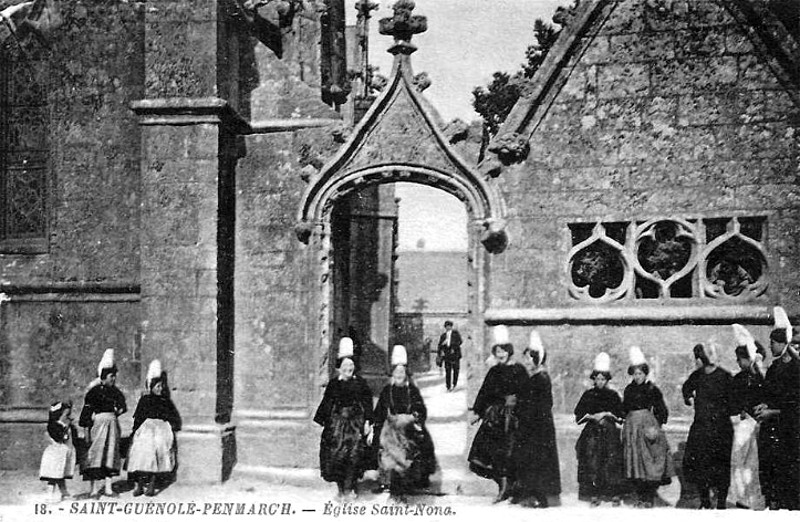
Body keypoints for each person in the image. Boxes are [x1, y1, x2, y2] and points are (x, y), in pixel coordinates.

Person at [468, 325, 528, 503]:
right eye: (497, 351)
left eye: (503, 351)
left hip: (513, 418)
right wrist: (478, 412)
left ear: (509, 351)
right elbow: (484, 391)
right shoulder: (494, 371)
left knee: (511, 454)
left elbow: (526, 393)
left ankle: (512, 488)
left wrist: (518, 404)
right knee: (487, 456)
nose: (500, 354)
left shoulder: (519, 370)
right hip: (494, 418)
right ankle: (502, 486)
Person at [372, 345, 437, 501]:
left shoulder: (412, 390)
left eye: (402, 372)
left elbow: (420, 408)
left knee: (417, 450)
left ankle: (406, 486)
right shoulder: (387, 390)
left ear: (406, 373)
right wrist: (375, 426)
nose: (399, 375)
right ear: (393, 373)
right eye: (396, 372)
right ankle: (394, 490)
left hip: (408, 428)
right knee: (388, 454)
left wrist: (415, 417)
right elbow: (380, 410)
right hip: (391, 429)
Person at [313, 337, 374, 500]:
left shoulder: (360, 383)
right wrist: (323, 421)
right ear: (340, 367)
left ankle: (350, 487)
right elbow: (327, 402)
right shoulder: (334, 384)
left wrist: (368, 422)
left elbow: (367, 402)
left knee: (354, 455)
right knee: (337, 455)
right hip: (337, 424)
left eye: (351, 365)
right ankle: (341, 489)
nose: (349, 368)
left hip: (355, 423)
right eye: (346, 366)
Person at [754, 307, 800, 510]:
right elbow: (770, 394)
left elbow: (796, 405)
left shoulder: (796, 370)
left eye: (772, 342)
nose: (770, 346)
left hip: (791, 431)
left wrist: (772, 412)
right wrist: (765, 405)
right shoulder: (774, 368)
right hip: (773, 431)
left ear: (783, 343)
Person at [512, 331, 561, 508]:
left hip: (538, 426)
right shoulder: (534, 377)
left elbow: (543, 403)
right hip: (532, 424)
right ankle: (532, 494)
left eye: (528, 359)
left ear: (536, 359)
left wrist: (525, 412)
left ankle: (541, 497)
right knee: (531, 460)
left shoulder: (541, 378)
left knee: (538, 461)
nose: (526, 362)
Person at [621, 346, 674, 508]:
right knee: (635, 464)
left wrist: (656, 425)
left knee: (649, 462)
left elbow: (662, 409)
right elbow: (624, 409)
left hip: (647, 429)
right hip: (632, 429)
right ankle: (640, 497)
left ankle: (649, 497)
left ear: (645, 374)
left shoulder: (652, 389)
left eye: (640, 374)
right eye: (635, 374)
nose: (637, 377)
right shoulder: (629, 389)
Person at [682, 342, 733, 509]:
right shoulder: (697, 376)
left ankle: (721, 502)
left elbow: (735, 399)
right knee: (700, 465)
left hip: (720, 428)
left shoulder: (724, 376)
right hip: (701, 427)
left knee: (720, 464)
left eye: (697, 358)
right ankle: (704, 501)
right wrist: (689, 397)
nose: (696, 362)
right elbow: (686, 388)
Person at [574, 352, 624, 507]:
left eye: (603, 379)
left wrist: (609, 414)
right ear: (594, 379)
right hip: (592, 432)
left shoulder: (613, 395)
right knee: (592, 460)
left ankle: (614, 493)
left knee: (611, 460)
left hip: (609, 432)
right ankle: (594, 494)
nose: (600, 381)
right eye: (597, 378)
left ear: (607, 380)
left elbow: (621, 415)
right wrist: (591, 416)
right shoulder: (588, 394)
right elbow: (579, 415)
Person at [127, 360, 181, 497]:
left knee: (157, 448)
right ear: (151, 387)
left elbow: (173, 417)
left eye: (161, 386)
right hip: (146, 428)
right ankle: (139, 483)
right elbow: (138, 417)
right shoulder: (145, 400)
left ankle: (151, 483)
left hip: (161, 429)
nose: (159, 389)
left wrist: (170, 425)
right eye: (157, 386)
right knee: (142, 450)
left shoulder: (165, 401)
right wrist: (135, 431)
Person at [79, 349, 127, 498]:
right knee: (96, 454)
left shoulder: (116, 392)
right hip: (98, 426)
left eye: (114, 376)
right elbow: (86, 414)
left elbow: (123, 407)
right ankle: (93, 489)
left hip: (112, 426)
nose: (113, 379)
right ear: (104, 376)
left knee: (110, 454)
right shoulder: (93, 392)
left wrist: (113, 415)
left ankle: (108, 488)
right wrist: (87, 433)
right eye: (111, 376)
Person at [729, 324, 766, 510]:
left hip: (755, 424)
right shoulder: (738, 379)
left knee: (753, 462)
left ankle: (754, 498)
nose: (738, 362)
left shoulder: (759, 378)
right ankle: (742, 496)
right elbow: (733, 401)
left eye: (740, 359)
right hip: (743, 424)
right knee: (741, 462)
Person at [39, 400, 76, 502]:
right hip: (55, 454)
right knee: (53, 476)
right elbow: (61, 438)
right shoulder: (55, 426)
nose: (68, 416)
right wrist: (66, 426)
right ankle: (50, 495)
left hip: (61, 453)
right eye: (66, 414)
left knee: (59, 474)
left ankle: (64, 493)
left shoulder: (61, 425)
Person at [437, 321, 462, 392]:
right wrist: (442, 345)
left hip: (455, 355)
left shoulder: (455, 333)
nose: (448, 327)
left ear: (451, 326)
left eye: (449, 326)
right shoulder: (443, 335)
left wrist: (453, 347)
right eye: (446, 326)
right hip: (447, 355)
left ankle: (454, 384)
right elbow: (439, 345)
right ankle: (448, 386)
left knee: (455, 370)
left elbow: (460, 341)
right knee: (448, 371)